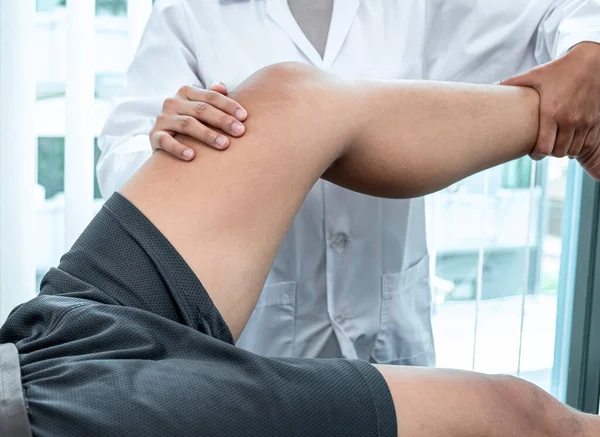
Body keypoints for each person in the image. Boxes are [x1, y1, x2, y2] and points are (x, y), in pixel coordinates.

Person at [2, 63, 600, 437]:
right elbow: (125, 148)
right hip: (52, 417)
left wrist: (579, 88)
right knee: (519, 418)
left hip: (30, 352)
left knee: (294, 94)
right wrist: (167, 133)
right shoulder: (189, 11)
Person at [97, 0, 600, 365]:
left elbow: (566, 10)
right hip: (257, 345)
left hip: (390, 340)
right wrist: (169, 141)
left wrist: (589, 51)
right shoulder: (189, 13)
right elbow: (120, 158)